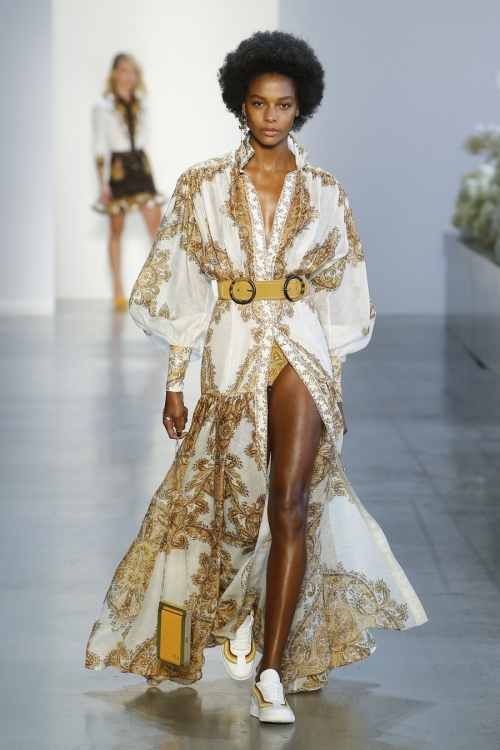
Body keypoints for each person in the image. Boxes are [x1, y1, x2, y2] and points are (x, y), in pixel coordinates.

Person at [86, 31, 427, 725]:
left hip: (301, 348)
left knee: (291, 502)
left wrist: (335, 387)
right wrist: (175, 380)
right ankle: (240, 611)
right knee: (229, 507)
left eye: (285, 104)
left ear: (302, 108)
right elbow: (183, 284)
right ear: (241, 105)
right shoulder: (204, 185)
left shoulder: (325, 192)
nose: (272, 116)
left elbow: (339, 293)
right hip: (232, 347)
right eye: (260, 103)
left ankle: (271, 671)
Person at [92, 53, 166, 309]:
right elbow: (99, 144)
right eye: (124, 71)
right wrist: (102, 183)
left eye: (133, 71)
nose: (129, 76)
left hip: (141, 165)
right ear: (114, 73)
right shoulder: (103, 105)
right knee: (117, 229)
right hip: (119, 168)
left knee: (157, 228)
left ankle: (160, 286)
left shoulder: (142, 103)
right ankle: (118, 286)